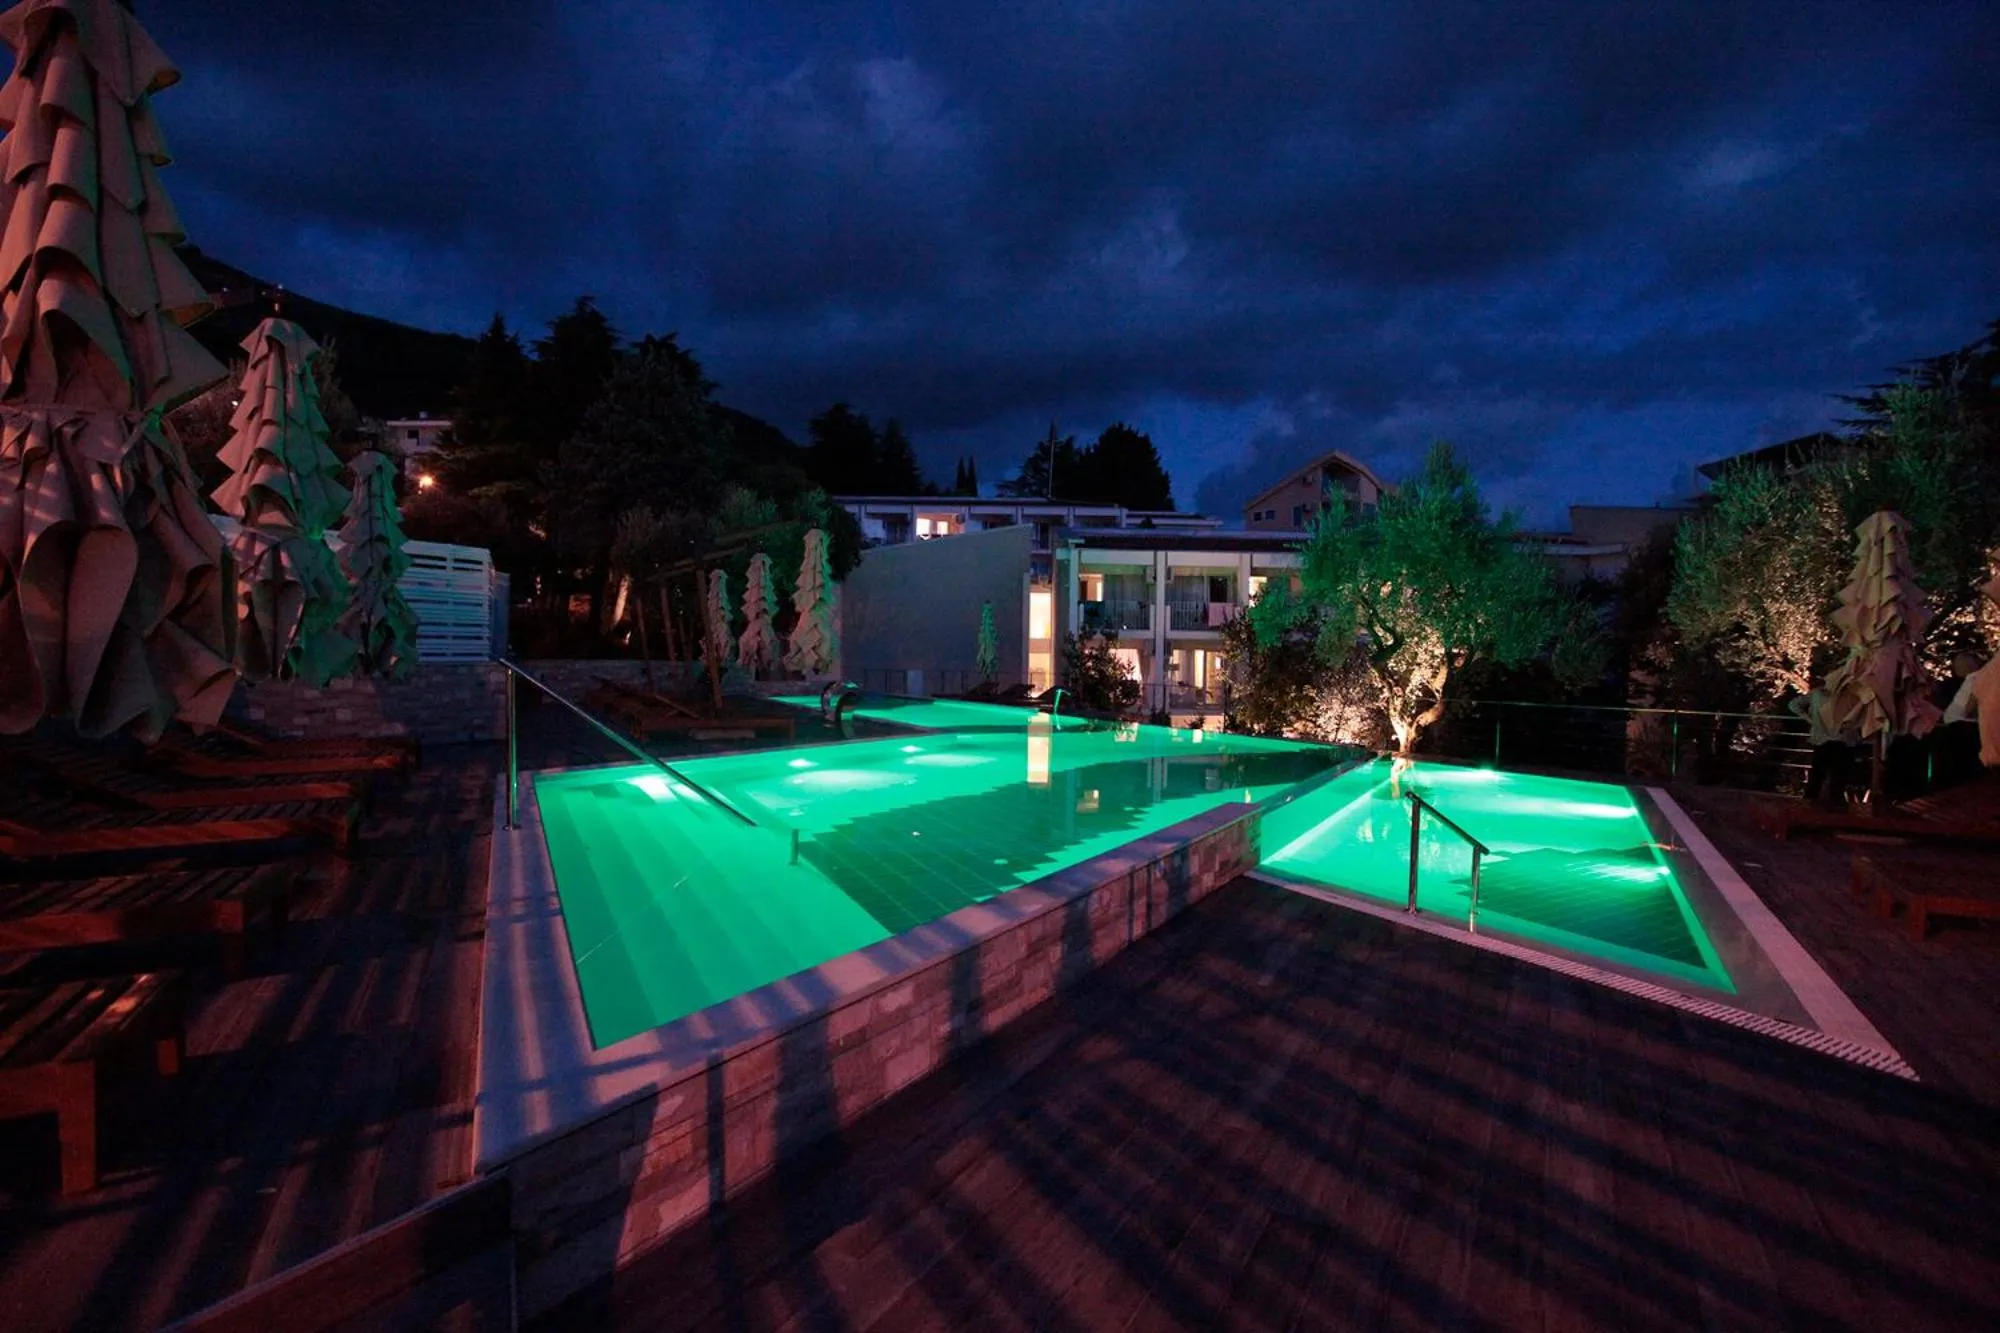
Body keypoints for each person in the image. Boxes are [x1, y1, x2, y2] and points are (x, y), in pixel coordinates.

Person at [1793, 686, 1856, 808]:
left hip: (1822, 740)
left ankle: (1808, 809)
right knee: (1838, 780)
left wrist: (1810, 719)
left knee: (1816, 777)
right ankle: (1835, 810)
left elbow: (1794, 705)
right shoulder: (1850, 694)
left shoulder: (1818, 693)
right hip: (1843, 741)